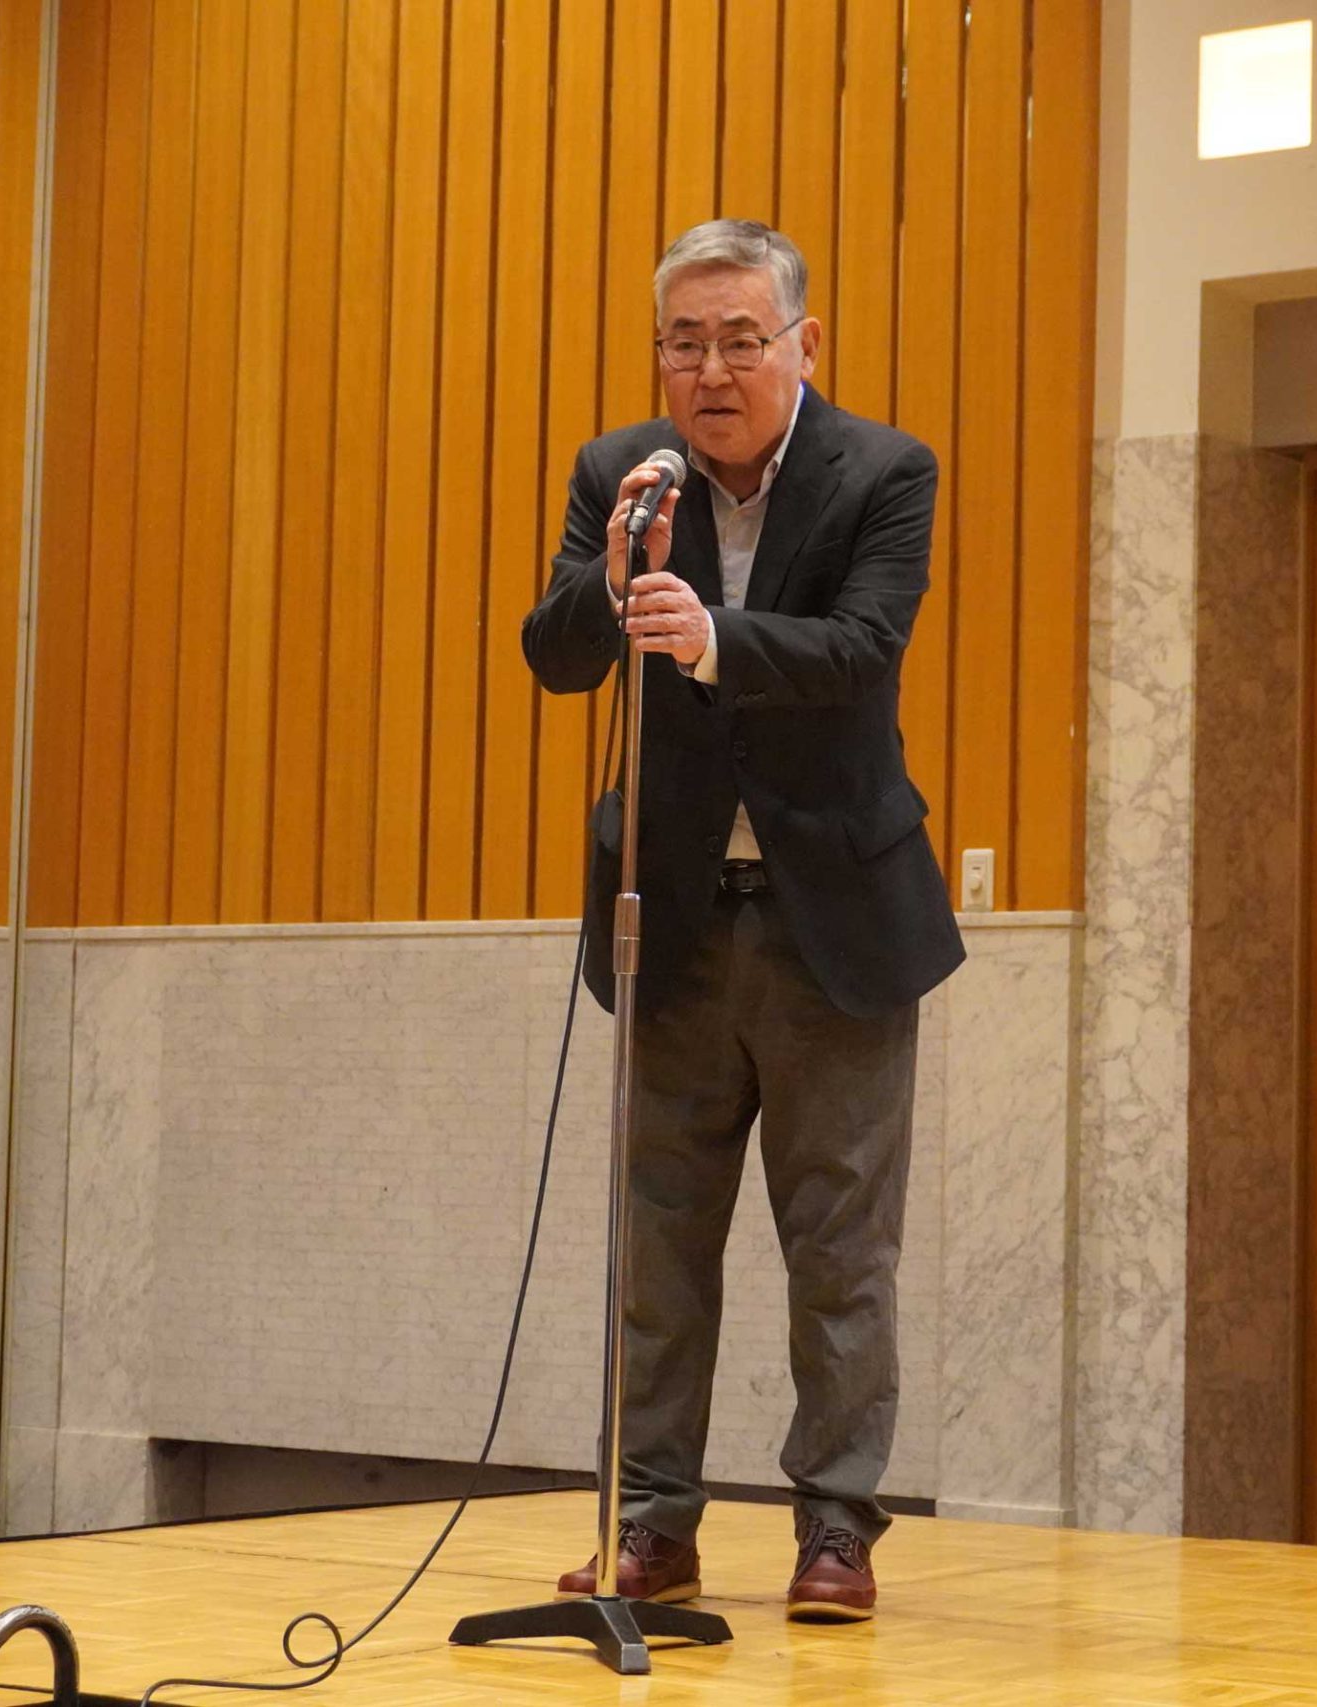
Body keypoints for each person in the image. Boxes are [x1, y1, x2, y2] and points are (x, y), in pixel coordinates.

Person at [520, 219, 963, 1622]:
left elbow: (863, 651)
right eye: (683, 342)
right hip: (673, 923)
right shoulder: (622, 473)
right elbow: (554, 656)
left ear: (801, 345)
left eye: (738, 339)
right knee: (659, 1249)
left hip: (836, 925)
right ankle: (652, 1525)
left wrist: (713, 637)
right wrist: (612, 576)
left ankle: (836, 1526)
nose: (708, 370)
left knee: (841, 1253)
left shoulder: (884, 472)